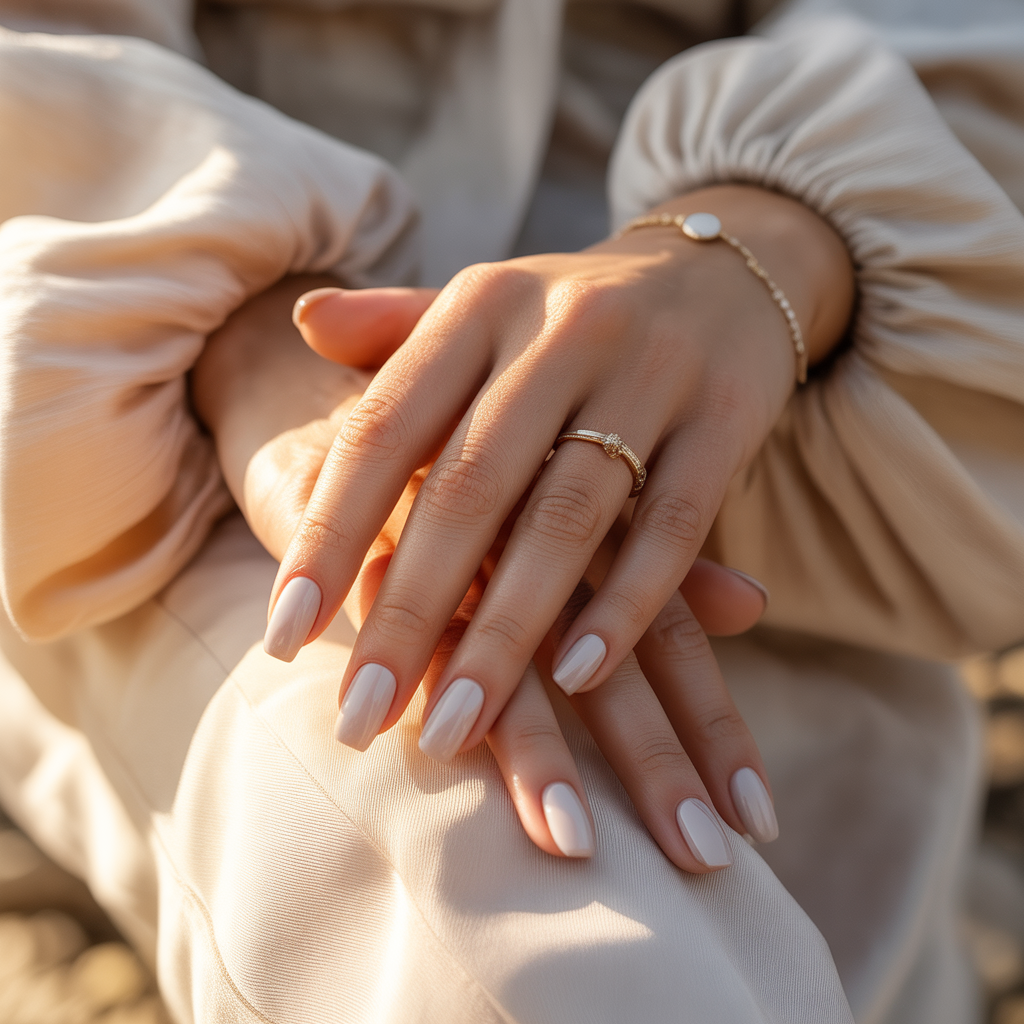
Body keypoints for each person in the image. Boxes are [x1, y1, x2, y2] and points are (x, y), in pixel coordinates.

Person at [0, 0, 1022, 1022]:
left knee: (805, 764)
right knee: (488, 863)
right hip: (155, 386)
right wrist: (252, 338)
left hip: (735, 371)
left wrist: (760, 245)